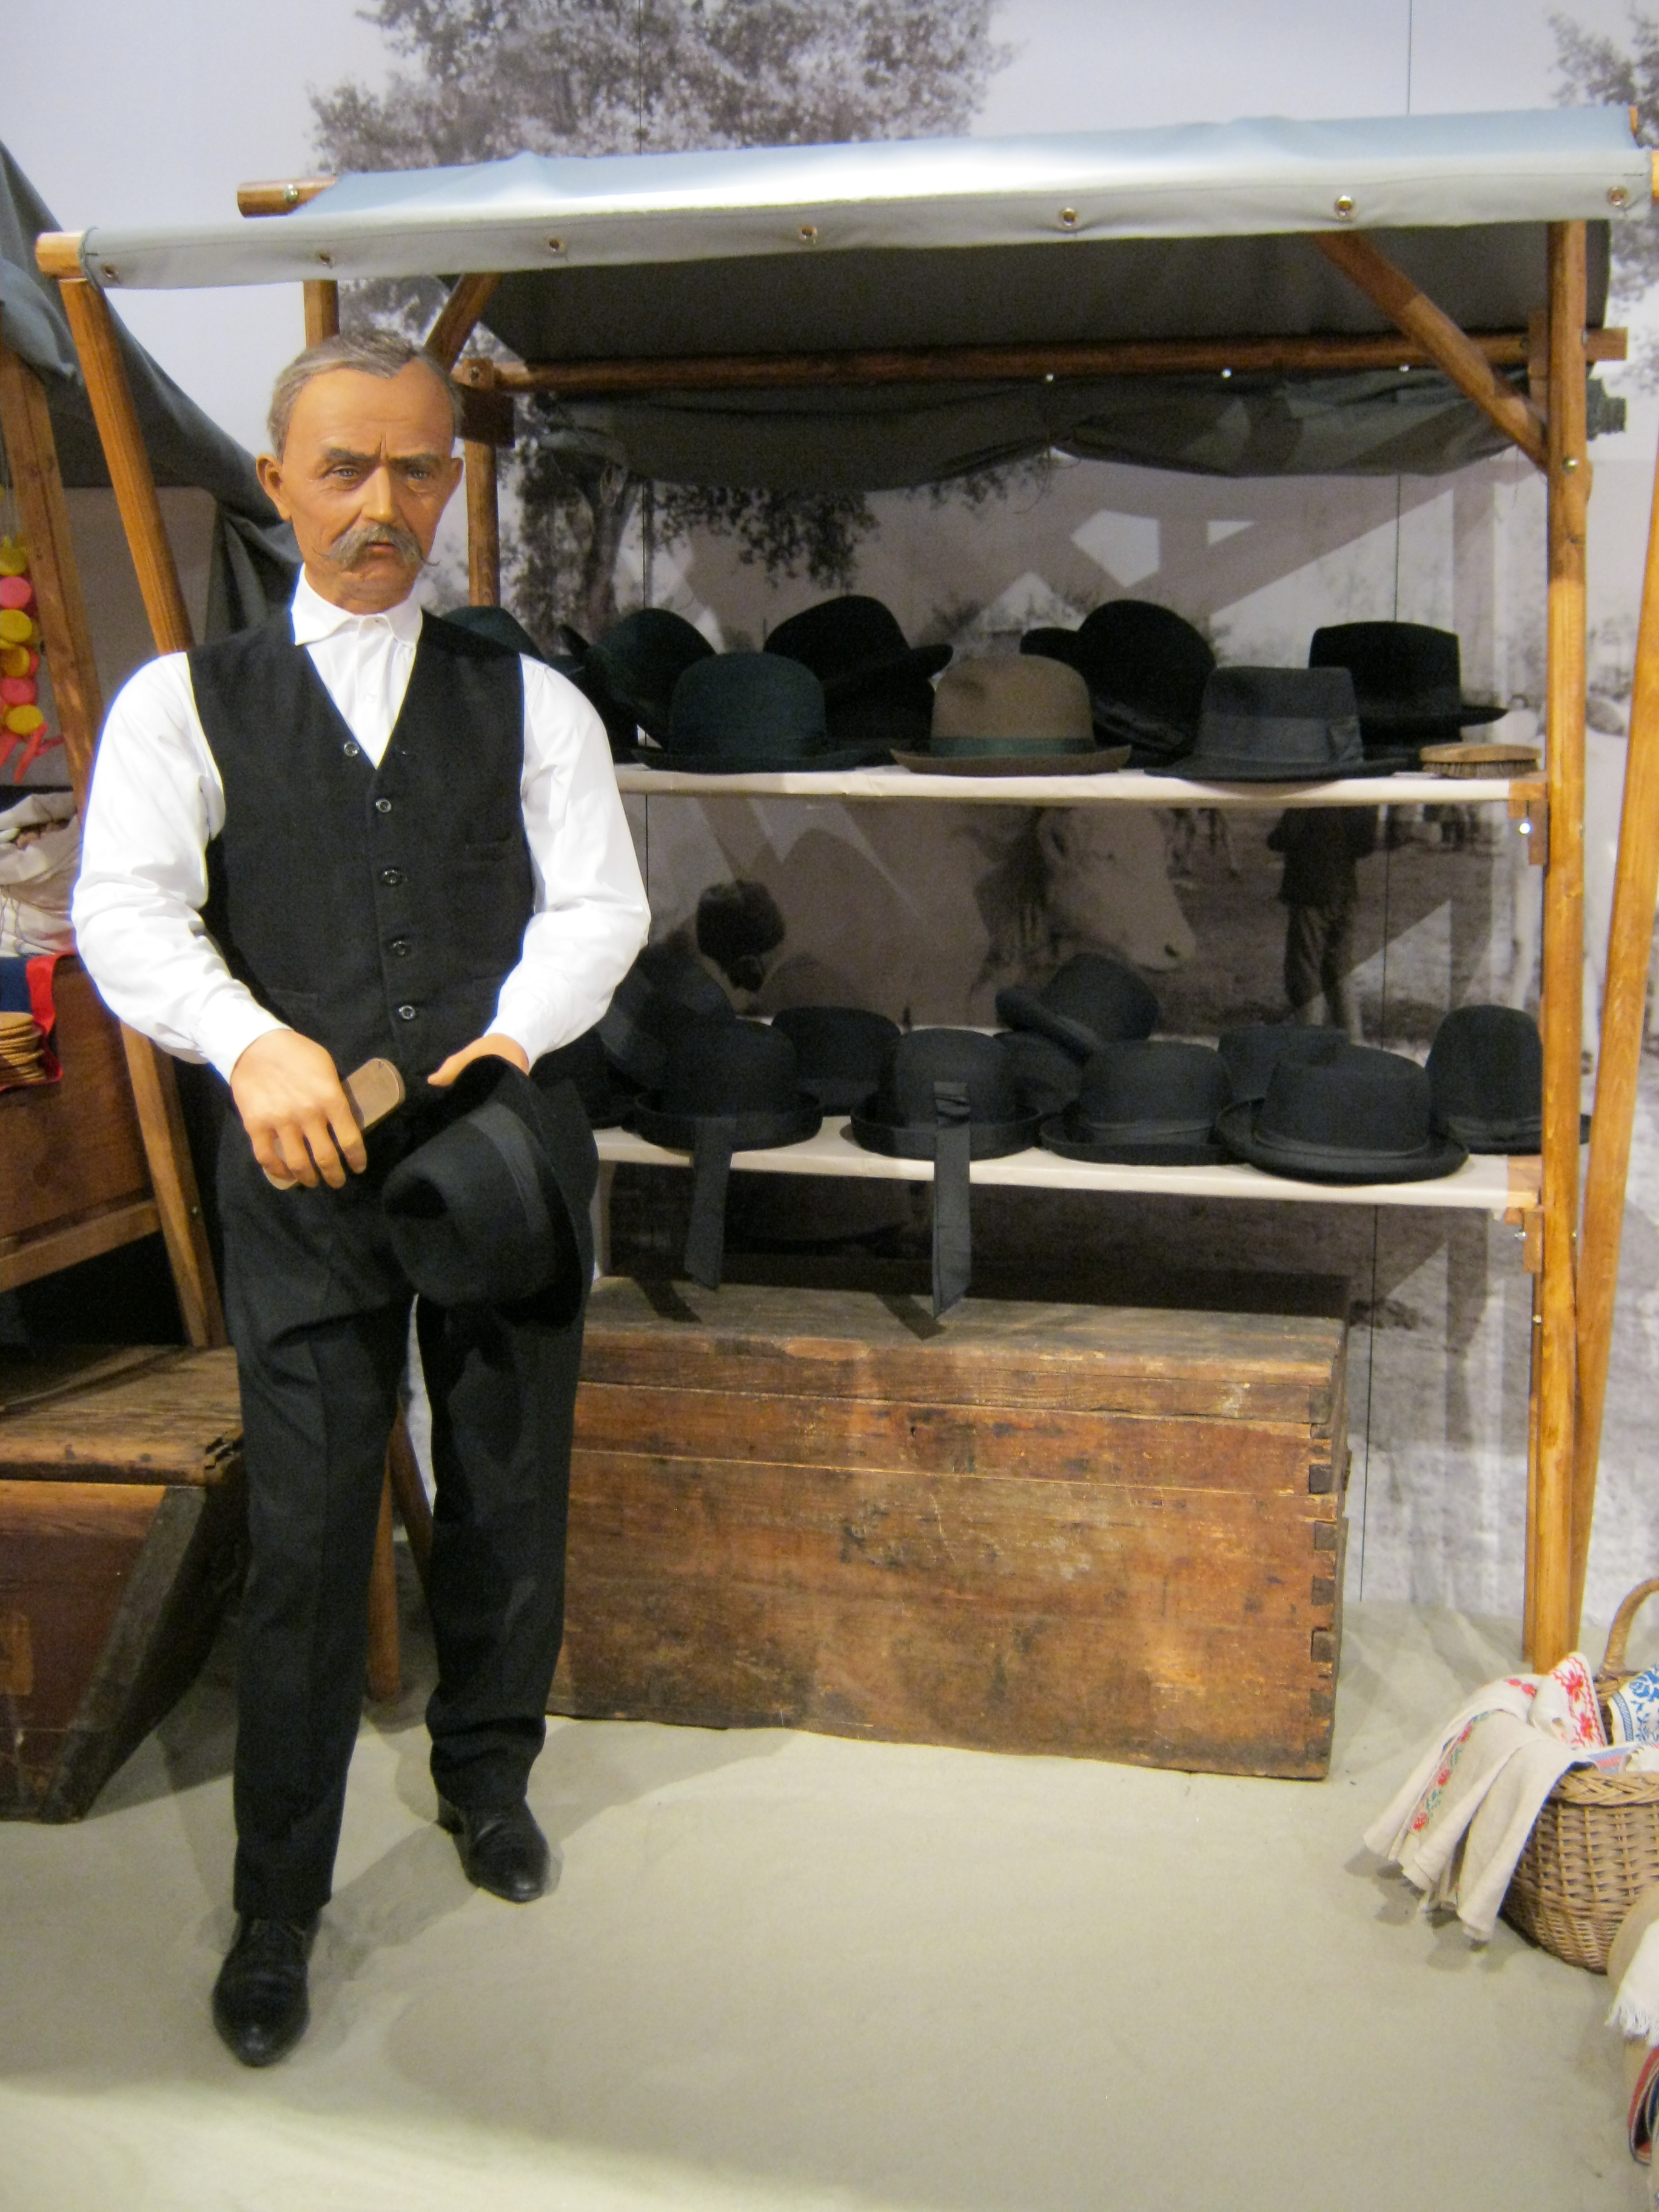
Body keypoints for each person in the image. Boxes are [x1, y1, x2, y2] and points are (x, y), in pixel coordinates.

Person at [72, 330, 649, 2067]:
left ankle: (488, 1780)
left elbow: (599, 907)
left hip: (497, 1160)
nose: (379, 502)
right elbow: (127, 910)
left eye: (412, 467)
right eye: (343, 468)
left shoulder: (532, 700)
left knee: (506, 1486)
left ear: (448, 480)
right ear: (279, 483)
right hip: (299, 1175)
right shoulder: (182, 702)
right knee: (311, 1536)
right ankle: (277, 1905)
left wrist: (509, 1040)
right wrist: (250, 1043)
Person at [1264, 805, 1377, 1036]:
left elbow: (1285, 835)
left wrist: (1275, 838)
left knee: (1306, 972)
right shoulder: (1360, 795)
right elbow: (1366, 844)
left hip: (1310, 891)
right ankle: (1353, 1041)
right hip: (1345, 889)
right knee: (1340, 971)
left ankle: (1310, 1041)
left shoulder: (1311, 793)